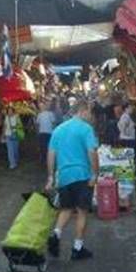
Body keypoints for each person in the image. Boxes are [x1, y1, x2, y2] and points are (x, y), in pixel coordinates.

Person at [46, 100, 99, 260]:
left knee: (66, 208)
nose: (90, 115)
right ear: (82, 111)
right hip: (82, 175)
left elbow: (51, 154)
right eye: (89, 112)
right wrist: (95, 173)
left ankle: (56, 234)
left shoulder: (58, 130)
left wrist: (50, 176)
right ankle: (78, 248)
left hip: (64, 176)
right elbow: (92, 152)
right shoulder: (86, 129)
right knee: (82, 211)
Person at [36, 101, 56, 165]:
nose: (41, 107)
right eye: (40, 106)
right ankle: (43, 160)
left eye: (42, 106)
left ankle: (48, 159)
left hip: (49, 133)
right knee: (42, 147)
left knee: (48, 147)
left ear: (45, 106)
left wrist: (53, 131)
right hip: (42, 133)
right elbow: (38, 124)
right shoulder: (39, 115)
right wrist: (38, 132)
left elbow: (53, 123)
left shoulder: (50, 114)